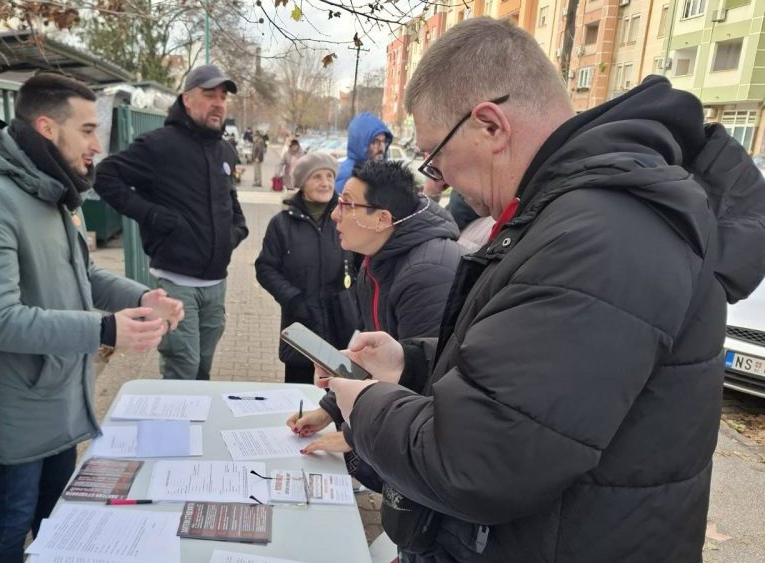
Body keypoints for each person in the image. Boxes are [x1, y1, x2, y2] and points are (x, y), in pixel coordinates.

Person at [319, 18, 765, 563]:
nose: (441, 179)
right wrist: (409, 365)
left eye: (436, 156)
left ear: (489, 126)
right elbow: (530, 370)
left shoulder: (603, 233)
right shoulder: (576, 213)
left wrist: (365, 406)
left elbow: (477, 462)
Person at [0, 73, 184, 562]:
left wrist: (143, 297)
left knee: (56, 523)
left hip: (59, 399)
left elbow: (84, 272)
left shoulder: (46, 185)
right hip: (17, 409)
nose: (98, 144)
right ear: (47, 127)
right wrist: (104, 328)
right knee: (9, 528)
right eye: (89, 129)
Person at [290, 159, 461, 460]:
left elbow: (426, 383)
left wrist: (354, 436)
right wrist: (329, 409)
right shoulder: (376, 256)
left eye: (345, 205)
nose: (334, 215)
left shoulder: (428, 272)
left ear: (382, 219)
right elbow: (377, 356)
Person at [95, 64, 249, 381]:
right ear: (187, 99)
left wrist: (237, 228)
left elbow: (227, 195)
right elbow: (105, 176)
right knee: (183, 366)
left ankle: (196, 427)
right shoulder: (158, 145)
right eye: (209, 95)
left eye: (223, 96)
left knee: (203, 367)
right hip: (176, 282)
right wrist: (150, 214)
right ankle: (176, 425)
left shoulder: (224, 150)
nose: (218, 102)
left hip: (216, 284)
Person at [256, 152, 358, 384]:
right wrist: (293, 299)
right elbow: (265, 268)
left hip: (342, 321)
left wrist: (353, 299)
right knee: (298, 393)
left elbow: (363, 265)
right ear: (302, 183)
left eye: (330, 176)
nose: (325, 183)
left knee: (342, 392)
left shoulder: (348, 218)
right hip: (302, 322)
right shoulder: (281, 224)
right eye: (317, 177)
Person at [335, 112, 393, 193]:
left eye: (384, 141)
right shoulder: (347, 177)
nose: (381, 148)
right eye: (375, 142)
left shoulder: (383, 173)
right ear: (360, 143)